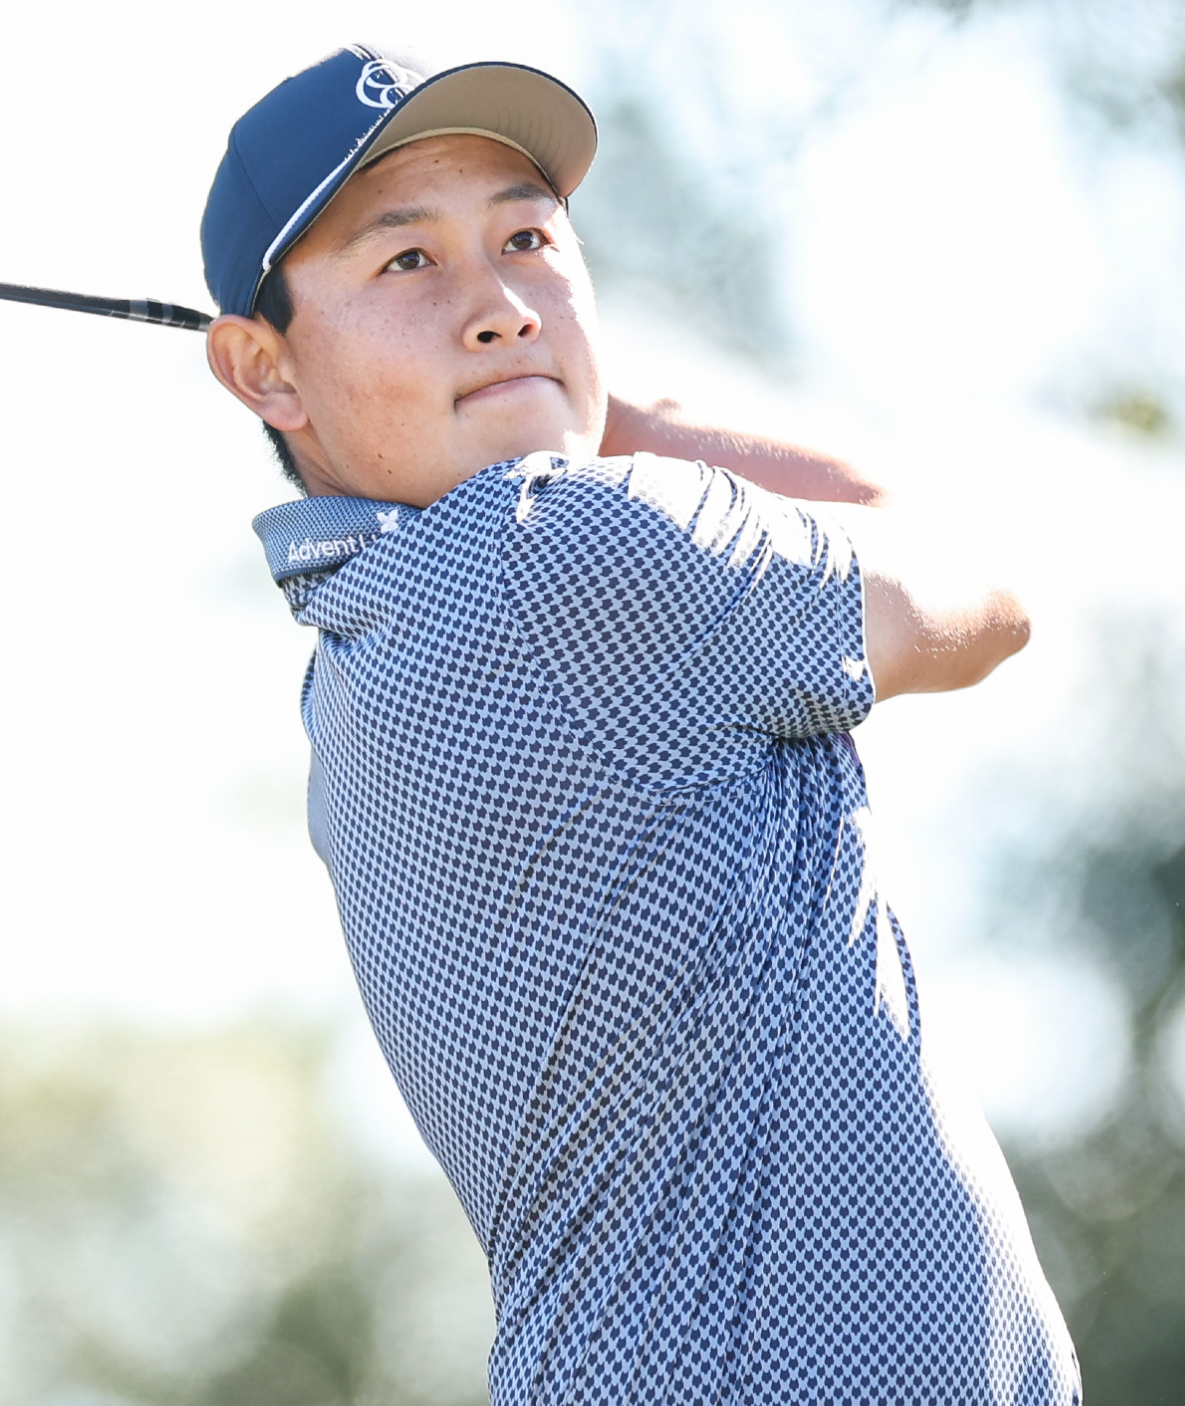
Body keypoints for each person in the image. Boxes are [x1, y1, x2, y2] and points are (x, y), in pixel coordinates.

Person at [199, 46, 1078, 1405]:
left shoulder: (362, 660)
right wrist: (638, 427)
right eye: (406, 263)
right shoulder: (553, 556)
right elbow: (984, 584)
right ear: (267, 370)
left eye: (528, 239)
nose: (496, 305)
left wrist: (591, 428)